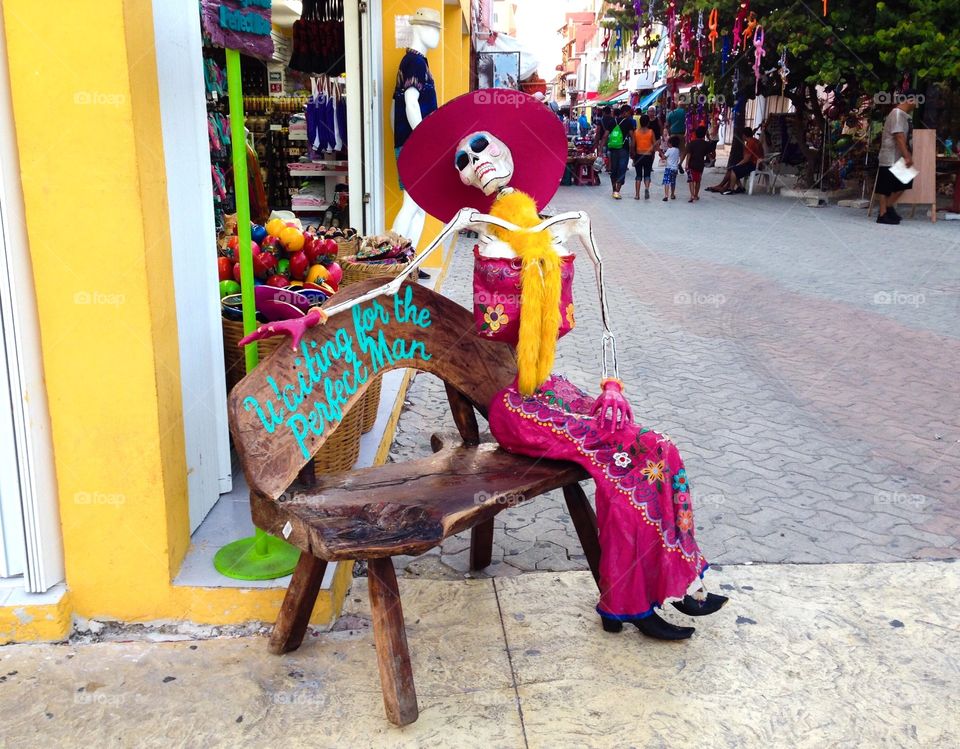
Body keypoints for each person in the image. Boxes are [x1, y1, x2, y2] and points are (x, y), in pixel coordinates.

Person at [876, 92, 919, 225]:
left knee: (904, 183)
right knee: (885, 186)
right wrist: (907, 156)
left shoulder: (904, 116)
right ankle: (883, 214)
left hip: (897, 156)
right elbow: (899, 136)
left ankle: (888, 208)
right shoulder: (897, 114)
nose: (917, 104)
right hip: (889, 156)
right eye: (917, 100)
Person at [707, 126, 763, 194]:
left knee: (733, 170)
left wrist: (737, 165)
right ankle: (730, 186)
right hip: (756, 164)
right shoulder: (755, 141)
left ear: (744, 135)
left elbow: (746, 159)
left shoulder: (750, 143)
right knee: (732, 169)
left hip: (753, 165)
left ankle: (730, 188)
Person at [600, 103, 636, 199]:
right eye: (629, 112)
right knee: (622, 169)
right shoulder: (628, 122)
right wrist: (633, 150)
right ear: (625, 112)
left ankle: (614, 190)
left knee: (614, 169)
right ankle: (617, 191)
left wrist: (600, 150)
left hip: (613, 149)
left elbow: (605, 136)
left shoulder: (612, 121)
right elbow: (633, 137)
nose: (630, 114)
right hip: (624, 149)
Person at [683, 125, 714, 202]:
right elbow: (710, 153)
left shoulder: (691, 143)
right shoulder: (706, 144)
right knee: (698, 180)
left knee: (691, 180)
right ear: (704, 135)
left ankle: (692, 195)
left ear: (696, 134)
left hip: (691, 164)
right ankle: (696, 195)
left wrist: (686, 164)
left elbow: (689, 154)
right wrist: (709, 138)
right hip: (700, 165)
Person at [631, 114, 658, 200]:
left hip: (638, 155)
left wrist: (632, 153)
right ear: (648, 123)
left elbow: (633, 144)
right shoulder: (651, 132)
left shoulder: (636, 132)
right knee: (647, 174)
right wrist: (658, 152)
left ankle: (637, 195)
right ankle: (646, 188)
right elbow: (654, 144)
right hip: (648, 156)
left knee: (638, 175)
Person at [661, 135, 681, 201]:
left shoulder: (669, 150)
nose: (667, 144)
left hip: (668, 168)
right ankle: (672, 194)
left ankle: (666, 195)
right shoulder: (678, 150)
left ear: (671, 143)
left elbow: (664, 157)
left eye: (668, 143)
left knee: (667, 182)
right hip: (675, 169)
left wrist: (660, 152)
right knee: (673, 182)